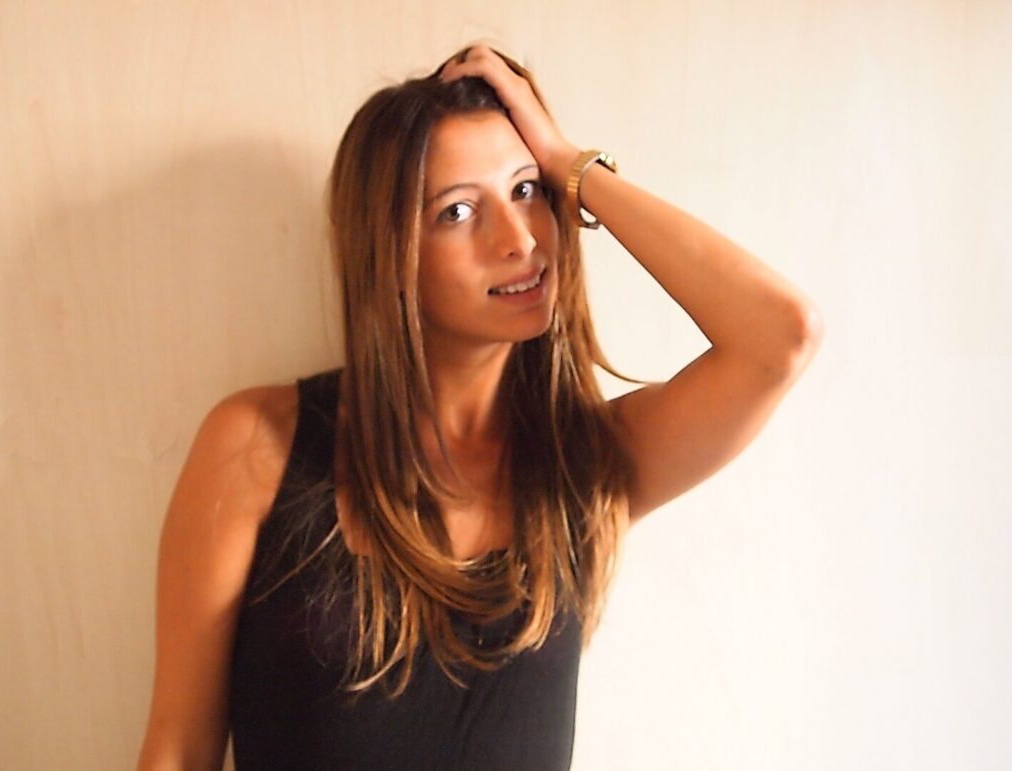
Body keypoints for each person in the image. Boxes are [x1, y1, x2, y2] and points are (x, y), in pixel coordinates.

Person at [137, 43, 823, 770]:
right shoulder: (257, 447)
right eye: (458, 210)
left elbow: (781, 334)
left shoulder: (583, 468)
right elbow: (178, 748)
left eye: (527, 191)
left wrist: (570, 166)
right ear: (390, 251)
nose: (519, 239)